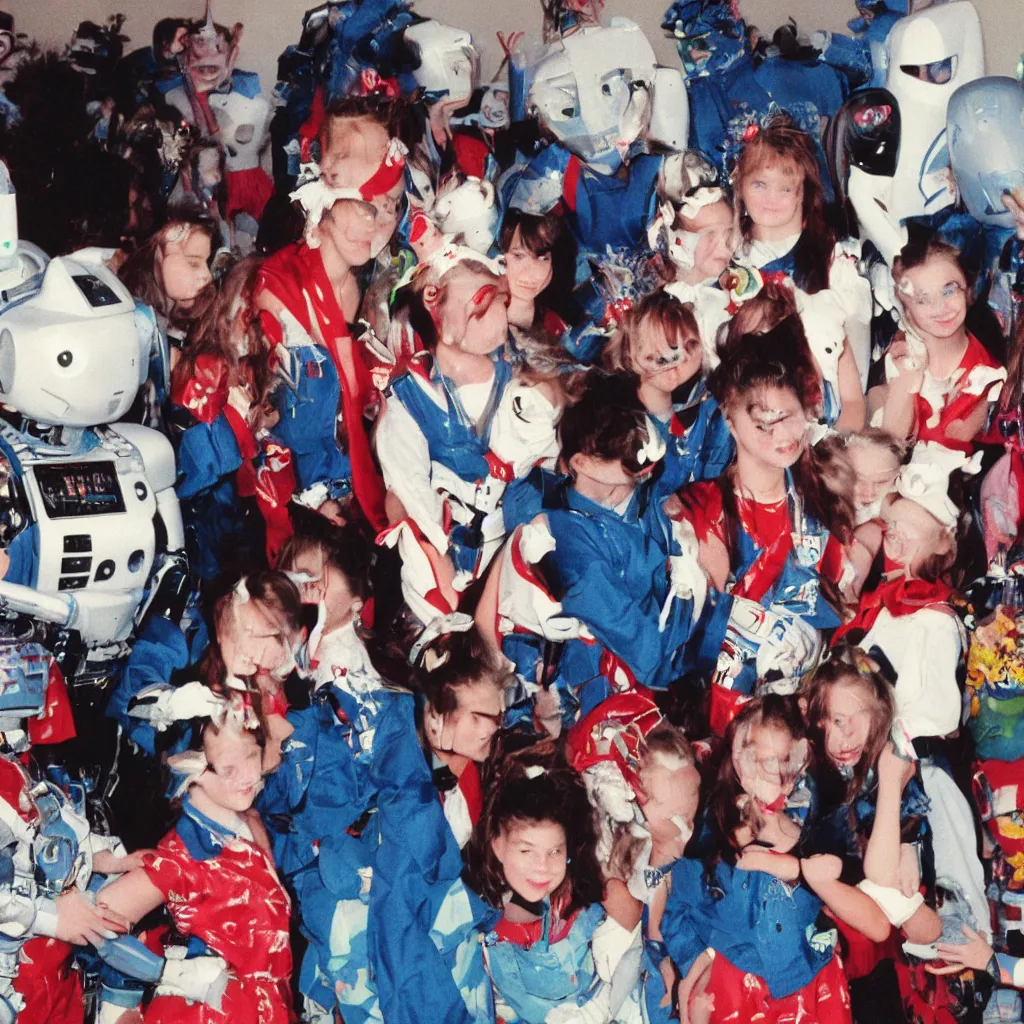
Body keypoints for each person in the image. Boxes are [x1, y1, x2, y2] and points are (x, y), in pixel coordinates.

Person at [835, 443, 991, 945]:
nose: (894, 533)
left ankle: (965, 946)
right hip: (873, 758)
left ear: (944, 545)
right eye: (890, 523)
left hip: (912, 764)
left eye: (909, 525)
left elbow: (941, 709)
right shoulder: (883, 604)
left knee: (935, 863)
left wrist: (895, 744)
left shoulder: (934, 617)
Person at [671, 322, 855, 731]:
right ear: (731, 422)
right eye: (763, 423)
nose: (782, 436)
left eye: (788, 417)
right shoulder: (700, 509)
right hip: (721, 719)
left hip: (808, 712)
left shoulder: (823, 499)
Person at [663, 695, 888, 1024]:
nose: (777, 776)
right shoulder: (708, 831)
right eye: (763, 761)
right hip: (733, 985)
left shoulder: (818, 826)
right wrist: (695, 966)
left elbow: (871, 919)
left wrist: (799, 868)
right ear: (739, 760)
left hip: (810, 984)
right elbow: (677, 908)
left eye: (787, 762)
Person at [255, 96, 406, 531]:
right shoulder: (280, 289)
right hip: (293, 509)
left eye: (392, 204)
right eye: (366, 205)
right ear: (326, 195)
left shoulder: (373, 287)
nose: (381, 222)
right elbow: (277, 430)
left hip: (346, 492)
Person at [96, 717, 296, 1023]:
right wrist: (167, 973)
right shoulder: (182, 858)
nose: (248, 776)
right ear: (191, 770)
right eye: (228, 769)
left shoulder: (249, 824)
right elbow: (99, 919)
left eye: (252, 755)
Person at [802, 650, 943, 1017]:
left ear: (878, 718)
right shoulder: (811, 775)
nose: (847, 734)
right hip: (827, 916)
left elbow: (903, 827)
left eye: (859, 718)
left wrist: (908, 841)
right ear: (816, 721)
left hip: (874, 915)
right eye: (835, 720)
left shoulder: (881, 763)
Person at [463, 743, 645, 1023]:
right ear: (497, 845)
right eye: (526, 851)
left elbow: (631, 966)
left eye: (554, 851)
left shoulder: (589, 899)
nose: (542, 866)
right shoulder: (474, 917)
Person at [730, 113, 869, 428]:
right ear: (741, 185)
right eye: (760, 184)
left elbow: (853, 353)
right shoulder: (731, 256)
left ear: (804, 192)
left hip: (824, 408)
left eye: (785, 189)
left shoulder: (831, 258)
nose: (770, 199)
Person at [171, 254, 294, 577]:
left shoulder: (261, 370)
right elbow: (194, 469)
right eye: (251, 313)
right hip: (204, 513)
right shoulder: (203, 366)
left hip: (240, 514)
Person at [872, 237, 1006, 453]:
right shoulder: (895, 361)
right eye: (923, 300)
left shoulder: (990, 373)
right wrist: (907, 381)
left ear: (968, 290)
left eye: (948, 291)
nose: (940, 307)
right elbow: (887, 448)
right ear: (905, 306)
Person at [602, 289, 733, 492]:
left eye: (689, 345)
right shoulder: (612, 425)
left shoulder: (716, 411)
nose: (674, 360)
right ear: (628, 354)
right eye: (655, 351)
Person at [118, 205, 217, 358]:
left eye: (207, 262)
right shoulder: (133, 326)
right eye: (193, 263)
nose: (207, 275)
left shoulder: (183, 323)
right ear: (158, 256)